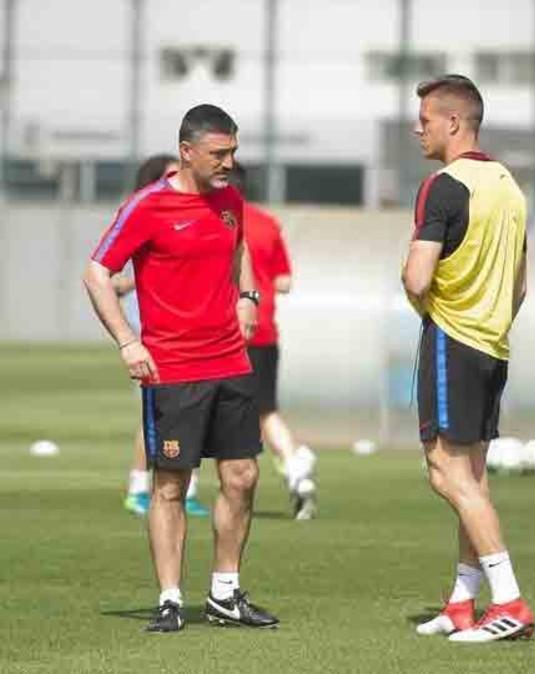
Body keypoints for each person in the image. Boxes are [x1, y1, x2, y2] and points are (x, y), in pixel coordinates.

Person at [83, 103, 278, 634]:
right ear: (186, 153)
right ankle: (169, 598)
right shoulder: (147, 206)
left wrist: (247, 296)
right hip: (172, 369)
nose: (229, 163)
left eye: (234, 152)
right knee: (170, 484)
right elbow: (97, 273)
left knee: (243, 476)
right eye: (219, 154)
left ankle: (225, 594)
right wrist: (127, 340)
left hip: (230, 362)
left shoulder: (231, 200)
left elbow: (239, 250)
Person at [401, 75, 533, 643]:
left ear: (453, 123)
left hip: (453, 341)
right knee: (471, 477)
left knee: (446, 473)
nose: (418, 128)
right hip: (493, 346)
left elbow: (417, 275)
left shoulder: (443, 185)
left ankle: (510, 602)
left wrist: (419, 294)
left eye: (426, 119)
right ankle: (462, 601)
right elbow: (521, 287)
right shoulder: (508, 185)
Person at [117, 154, 211, 519]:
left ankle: (185, 492)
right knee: (157, 416)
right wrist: (127, 285)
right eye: (172, 174)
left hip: (199, 334)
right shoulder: (146, 213)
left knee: (195, 414)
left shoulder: (202, 212)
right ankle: (139, 488)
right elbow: (107, 273)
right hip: (161, 337)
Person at [229, 163, 319, 520]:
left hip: (227, 329)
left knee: (213, 410)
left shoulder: (213, 221)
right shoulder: (267, 223)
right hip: (265, 330)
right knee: (266, 410)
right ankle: (297, 469)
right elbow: (284, 281)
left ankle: (183, 488)